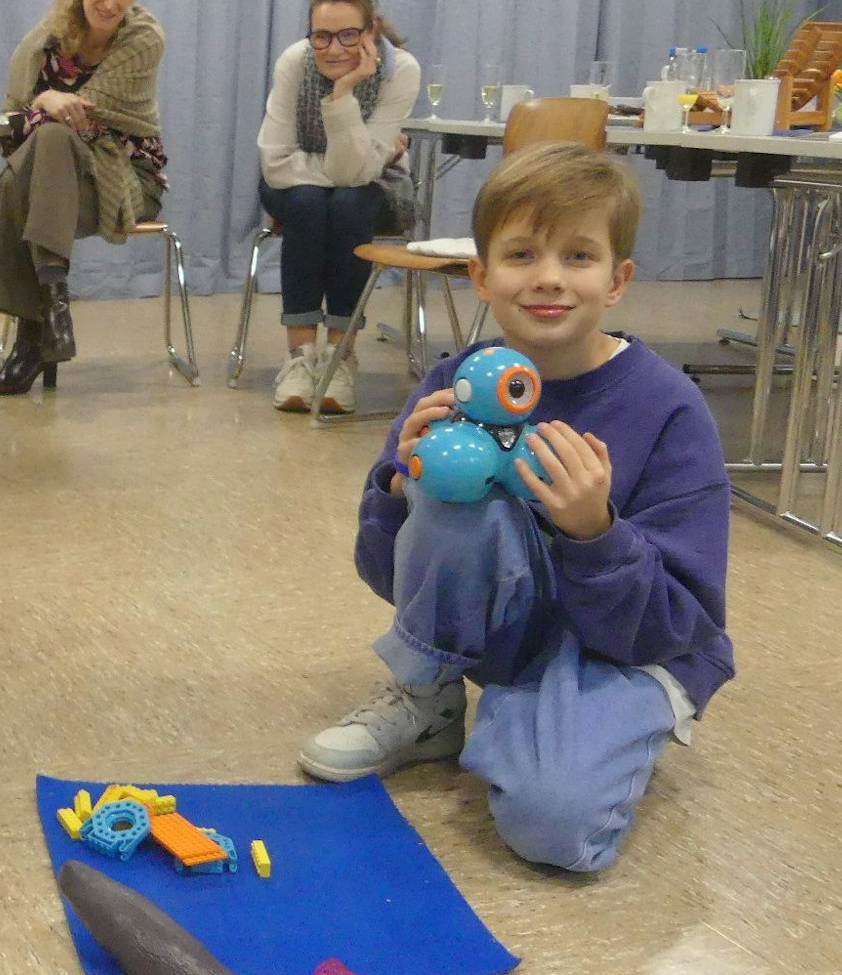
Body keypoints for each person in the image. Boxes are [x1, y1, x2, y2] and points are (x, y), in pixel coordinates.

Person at [299, 144, 732, 873]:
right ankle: (433, 699)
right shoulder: (453, 384)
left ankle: (563, 722)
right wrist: (397, 488)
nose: (549, 278)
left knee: (551, 826)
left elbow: (682, 620)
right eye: (523, 253)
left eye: (580, 256)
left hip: (630, 653)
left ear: (618, 279)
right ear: (481, 275)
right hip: (518, 627)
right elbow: (388, 575)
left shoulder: (668, 408)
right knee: (446, 488)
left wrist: (597, 533)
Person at [0, 0, 166, 394]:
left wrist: (41, 101)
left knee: (34, 161)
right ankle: (53, 309)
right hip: (57, 187)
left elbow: (72, 118)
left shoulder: (144, 39)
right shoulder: (43, 42)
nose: (111, 1)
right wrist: (39, 105)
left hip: (128, 179)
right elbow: (16, 131)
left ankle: (35, 336)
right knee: (37, 160)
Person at [256, 0, 419, 414]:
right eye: (322, 36)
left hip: (376, 187)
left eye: (349, 35)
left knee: (346, 203)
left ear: (371, 34)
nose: (333, 49)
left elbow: (359, 176)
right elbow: (274, 160)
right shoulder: (295, 62)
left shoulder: (400, 70)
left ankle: (340, 356)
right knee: (311, 202)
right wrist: (338, 169)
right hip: (294, 185)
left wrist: (343, 94)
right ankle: (299, 357)